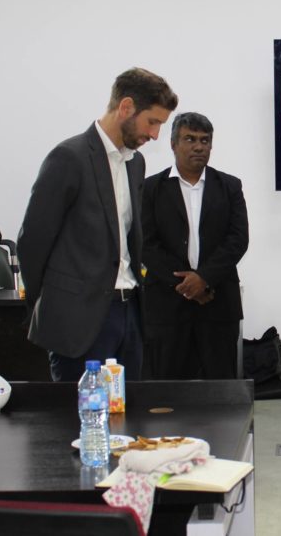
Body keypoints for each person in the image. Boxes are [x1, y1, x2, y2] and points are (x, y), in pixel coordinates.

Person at [18, 67, 178, 382]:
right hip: (79, 320)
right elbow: (32, 243)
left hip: (129, 314)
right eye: (152, 122)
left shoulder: (135, 163)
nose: (155, 135)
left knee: (128, 409)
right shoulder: (69, 158)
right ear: (126, 107)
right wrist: (52, 305)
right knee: (80, 411)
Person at [141, 112, 249, 379]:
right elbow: (145, 244)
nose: (199, 146)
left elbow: (238, 239)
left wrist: (204, 279)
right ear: (173, 144)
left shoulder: (230, 186)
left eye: (205, 140)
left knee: (220, 391)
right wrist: (188, 285)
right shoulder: (150, 188)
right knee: (166, 391)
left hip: (218, 303)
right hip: (166, 307)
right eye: (190, 139)